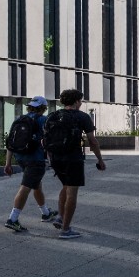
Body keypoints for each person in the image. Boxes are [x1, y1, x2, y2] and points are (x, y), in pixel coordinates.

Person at [44, 89, 106, 240]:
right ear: (77, 101)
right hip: (73, 159)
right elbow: (92, 141)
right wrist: (100, 159)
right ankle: (65, 230)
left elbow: (44, 139)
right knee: (72, 193)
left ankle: (60, 217)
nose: (81, 103)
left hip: (56, 159)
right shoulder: (82, 117)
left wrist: (50, 157)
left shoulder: (53, 115)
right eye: (80, 100)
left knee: (65, 186)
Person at [2, 96, 58, 232]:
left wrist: (8, 163)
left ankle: (45, 213)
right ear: (43, 108)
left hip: (20, 157)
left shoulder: (19, 119)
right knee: (26, 187)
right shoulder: (43, 120)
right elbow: (49, 142)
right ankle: (13, 219)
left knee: (36, 184)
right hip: (36, 160)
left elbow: (10, 142)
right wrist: (53, 161)